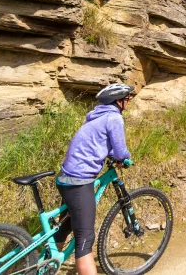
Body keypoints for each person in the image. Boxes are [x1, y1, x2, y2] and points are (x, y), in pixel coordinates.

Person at [53, 83, 135, 274]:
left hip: (65, 177)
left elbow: (94, 143)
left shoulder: (95, 116)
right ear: (118, 101)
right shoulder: (114, 118)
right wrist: (125, 159)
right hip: (79, 180)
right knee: (85, 238)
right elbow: (121, 151)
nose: (129, 101)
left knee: (65, 225)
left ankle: (47, 266)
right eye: (127, 98)